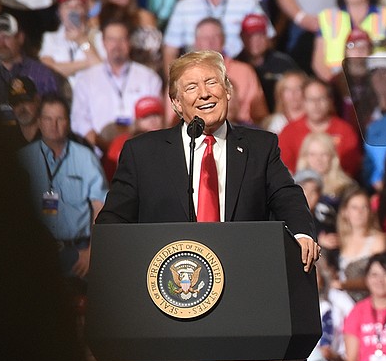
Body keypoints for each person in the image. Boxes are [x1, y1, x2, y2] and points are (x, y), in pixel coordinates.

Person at [97, 50, 318, 269]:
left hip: (243, 275)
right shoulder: (142, 153)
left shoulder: (260, 147)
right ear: (176, 102)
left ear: (228, 90)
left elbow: (287, 197)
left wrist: (301, 234)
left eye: (211, 82)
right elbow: (113, 222)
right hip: (168, 286)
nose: (204, 94)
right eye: (192, 87)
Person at [17, 93, 107, 281]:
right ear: (39, 122)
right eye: (48, 119)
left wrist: (93, 250)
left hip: (79, 253)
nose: (53, 125)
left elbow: (100, 207)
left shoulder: (86, 158)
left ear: (68, 122)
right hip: (35, 254)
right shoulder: (22, 159)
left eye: (59, 119)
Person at [70, 18, 165, 154]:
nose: (117, 45)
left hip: (142, 153)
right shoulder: (86, 80)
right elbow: (79, 122)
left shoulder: (149, 78)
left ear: (129, 42)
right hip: (98, 155)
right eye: (112, 39)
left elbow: (156, 120)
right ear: (103, 42)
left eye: (122, 39)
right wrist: (109, 148)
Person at [0, 13, 61, 123]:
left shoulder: (43, 74)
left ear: (20, 38)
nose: (1, 43)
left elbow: (54, 115)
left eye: (6, 36)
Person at [278, 78, 362, 181]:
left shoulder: (345, 130)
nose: (316, 105)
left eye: (321, 99)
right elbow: (284, 168)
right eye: (311, 100)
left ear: (330, 101)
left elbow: (352, 167)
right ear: (303, 102)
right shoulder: (289, 131)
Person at [39, 0, 102, 85]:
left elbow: (100, 70)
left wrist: (82, 40)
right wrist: (87, 63)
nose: (72, 11)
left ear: (85, 10)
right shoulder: (51, 38)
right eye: (67, 6)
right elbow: (48, 70)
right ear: (60, 11)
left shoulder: (98, 37)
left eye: (78, 6)